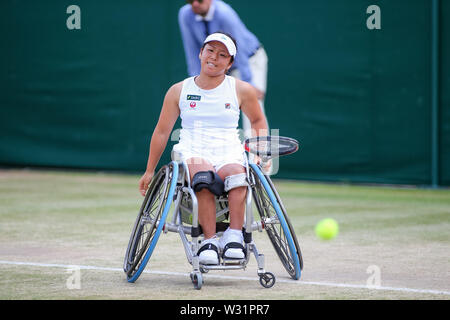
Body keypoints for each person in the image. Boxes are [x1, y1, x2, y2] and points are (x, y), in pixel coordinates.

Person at [138, 32, 268, 265]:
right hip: (192, 150)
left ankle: (234, 237)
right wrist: (149, 170)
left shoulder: (241, 89)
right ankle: (208, 241)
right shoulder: (178, 90)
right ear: (200, 53)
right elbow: (161, 131)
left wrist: (258, 153)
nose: (214, 58)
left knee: (239, 176)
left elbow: (258, 121)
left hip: (228, 150)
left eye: (222, 55)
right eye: (210, 51)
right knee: (204, 178)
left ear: (229, 64)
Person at [178, 0, 268, 139]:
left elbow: (241, 51)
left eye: (200, 0)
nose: (195, 4)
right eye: (190, 0)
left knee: (253, 106)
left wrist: (249, 83)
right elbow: (192, 50)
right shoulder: (185, 15)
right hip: (217, 65)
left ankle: (260, 158)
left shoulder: (225, 14)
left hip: (249, 61)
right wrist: (197, 84)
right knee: (211, 105)